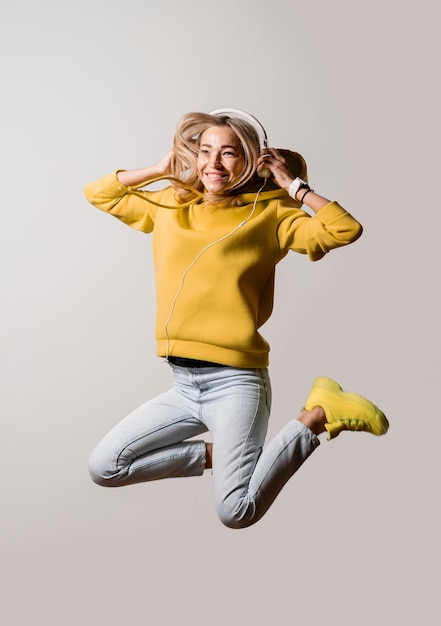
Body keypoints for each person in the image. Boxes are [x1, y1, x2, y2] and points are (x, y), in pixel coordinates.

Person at [84, 111, 389, 529]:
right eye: (205, 151)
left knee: (236, 512)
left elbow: (344, 229)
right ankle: (223, 454)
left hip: (236, 383)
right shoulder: (173, 203)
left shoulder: (270, 216)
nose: (213, 163)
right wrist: (159, 168)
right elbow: (100, 194)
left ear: (250, 160)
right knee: (105, 466)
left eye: (228, 154)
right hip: (183, 384)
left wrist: (293, 186)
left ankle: (319, 413)